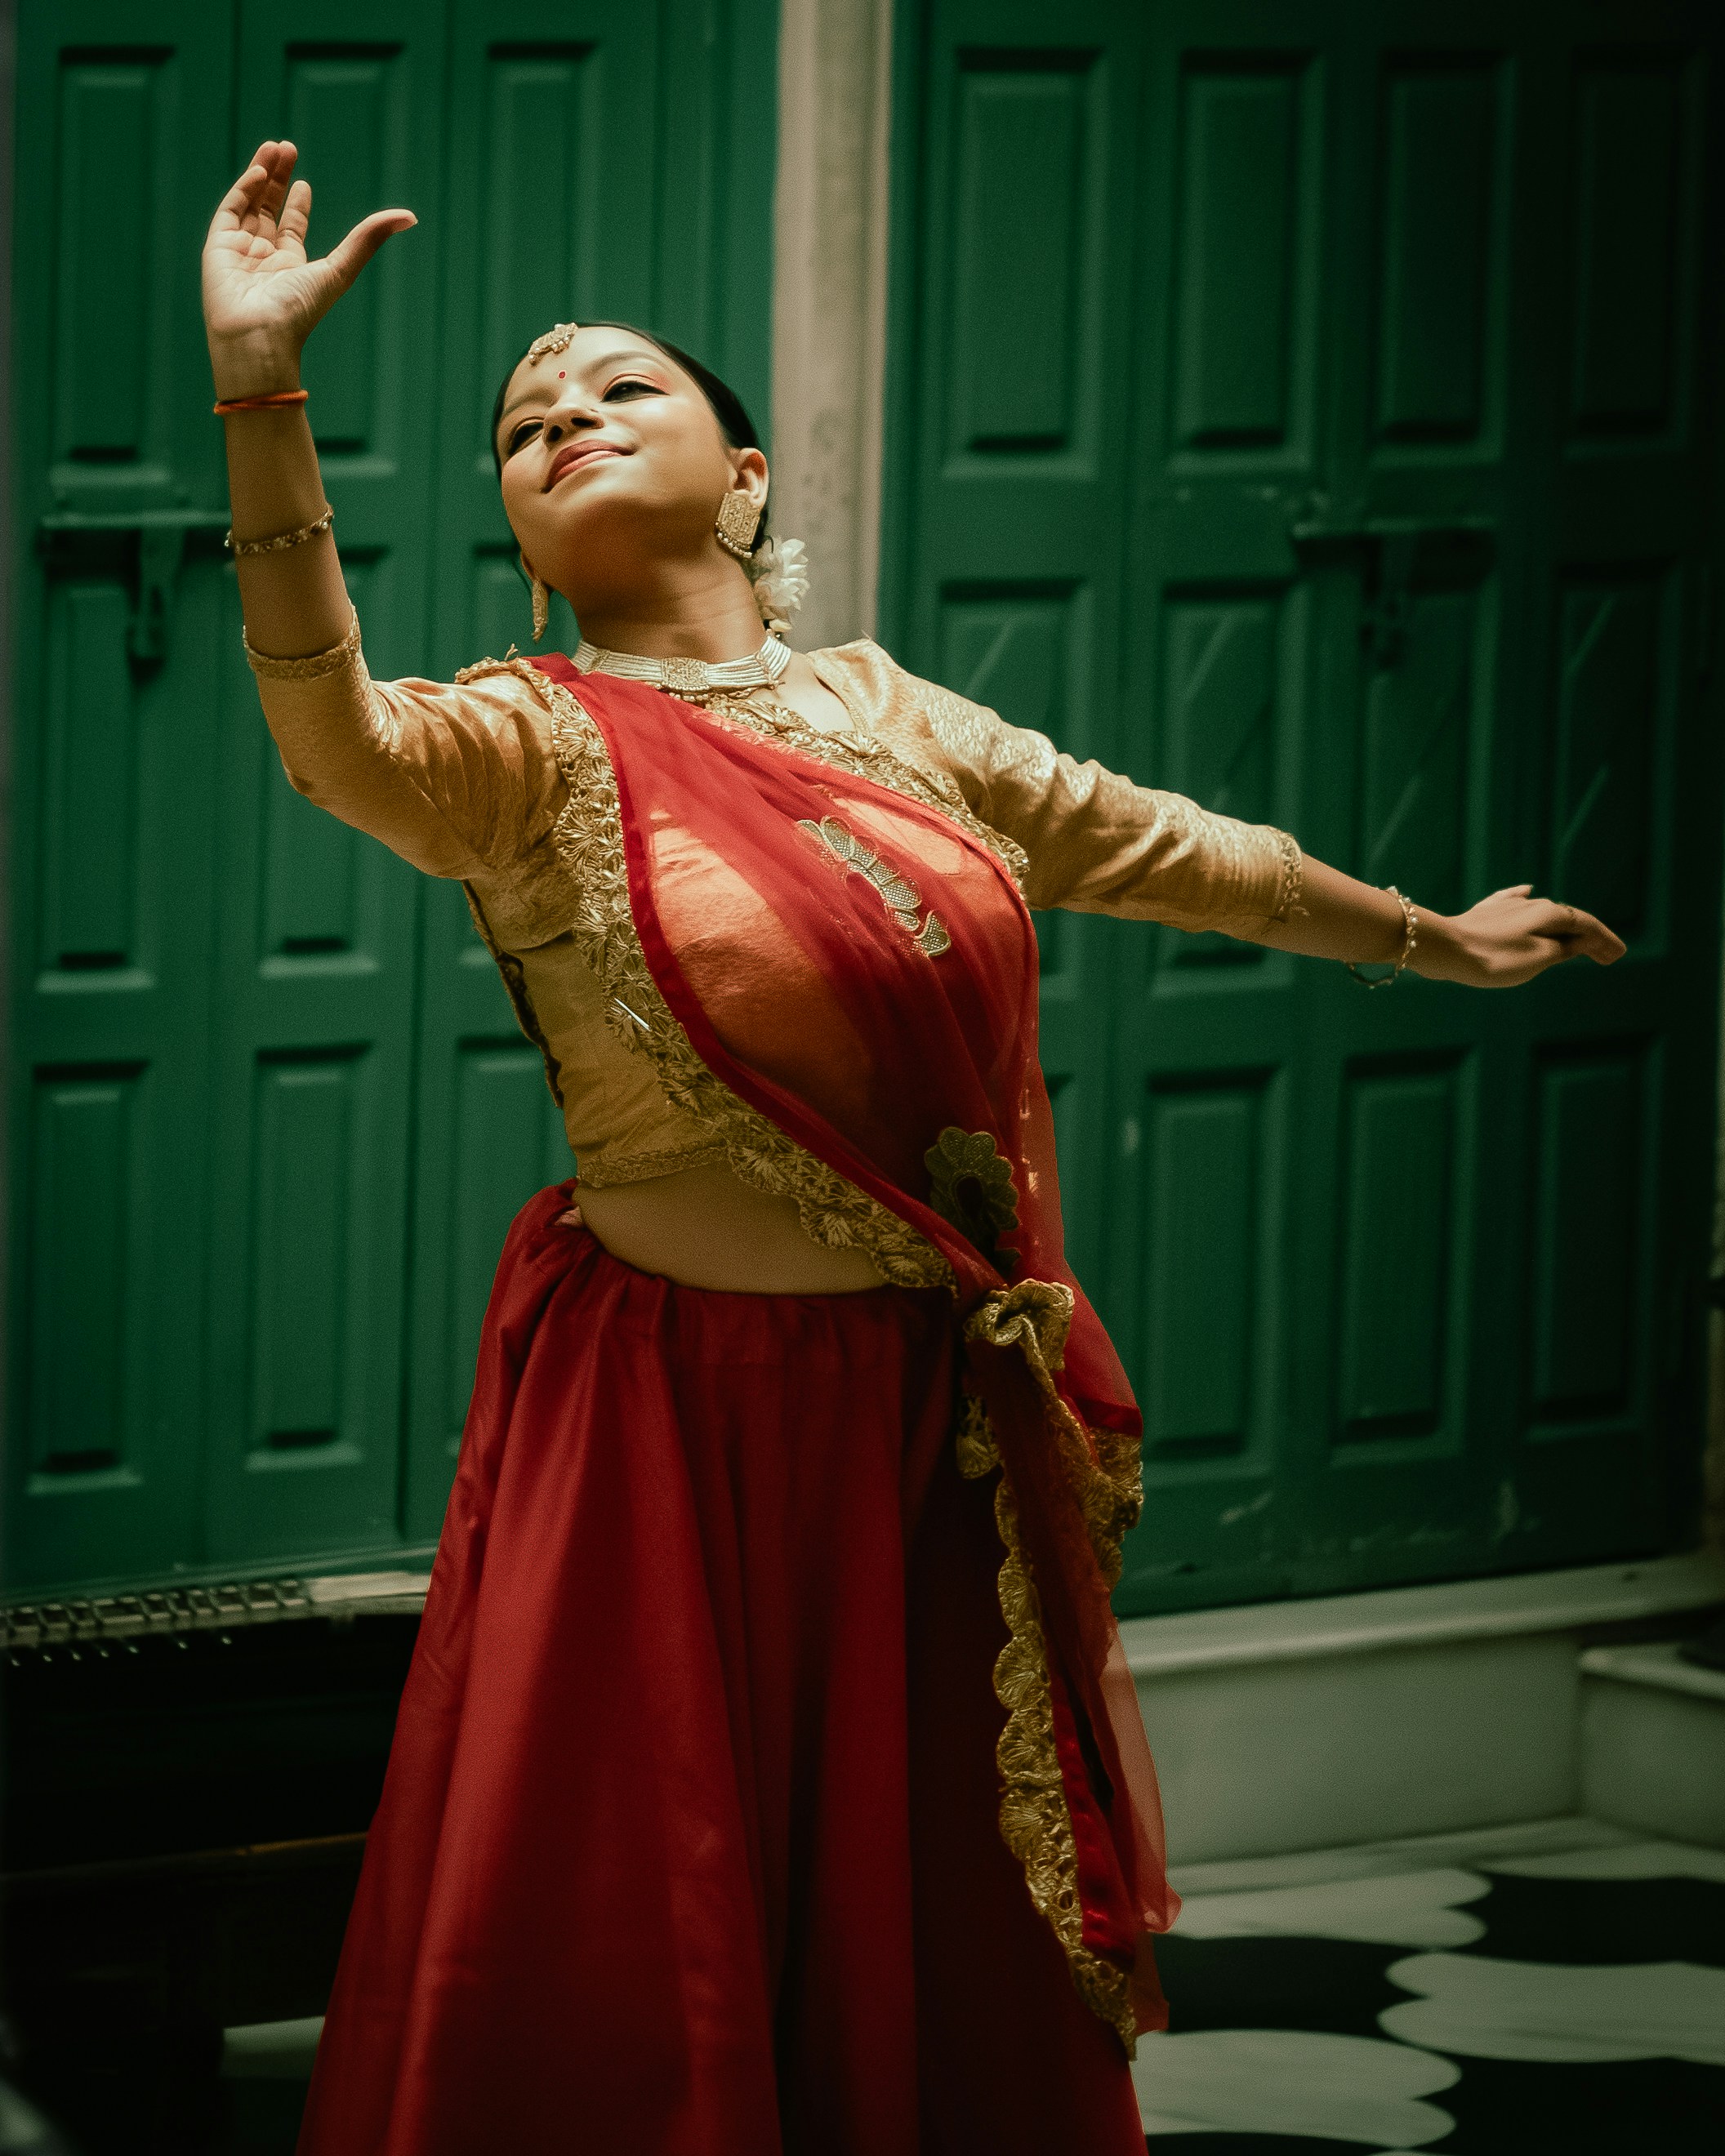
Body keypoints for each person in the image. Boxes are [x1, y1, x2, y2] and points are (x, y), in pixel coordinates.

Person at [202, 141, 1624, 2156]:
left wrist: (1430, 941)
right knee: (647, 1905)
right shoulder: (518, 741)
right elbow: (325, 728)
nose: (562, 418)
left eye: (620, 388)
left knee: (912, 1918)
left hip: (909, 1421)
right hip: (669, 1426)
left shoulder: (885, 711)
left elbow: (1153, 839)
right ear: (518, 524)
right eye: (524, 425)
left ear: (750, 475)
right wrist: (261, 390)